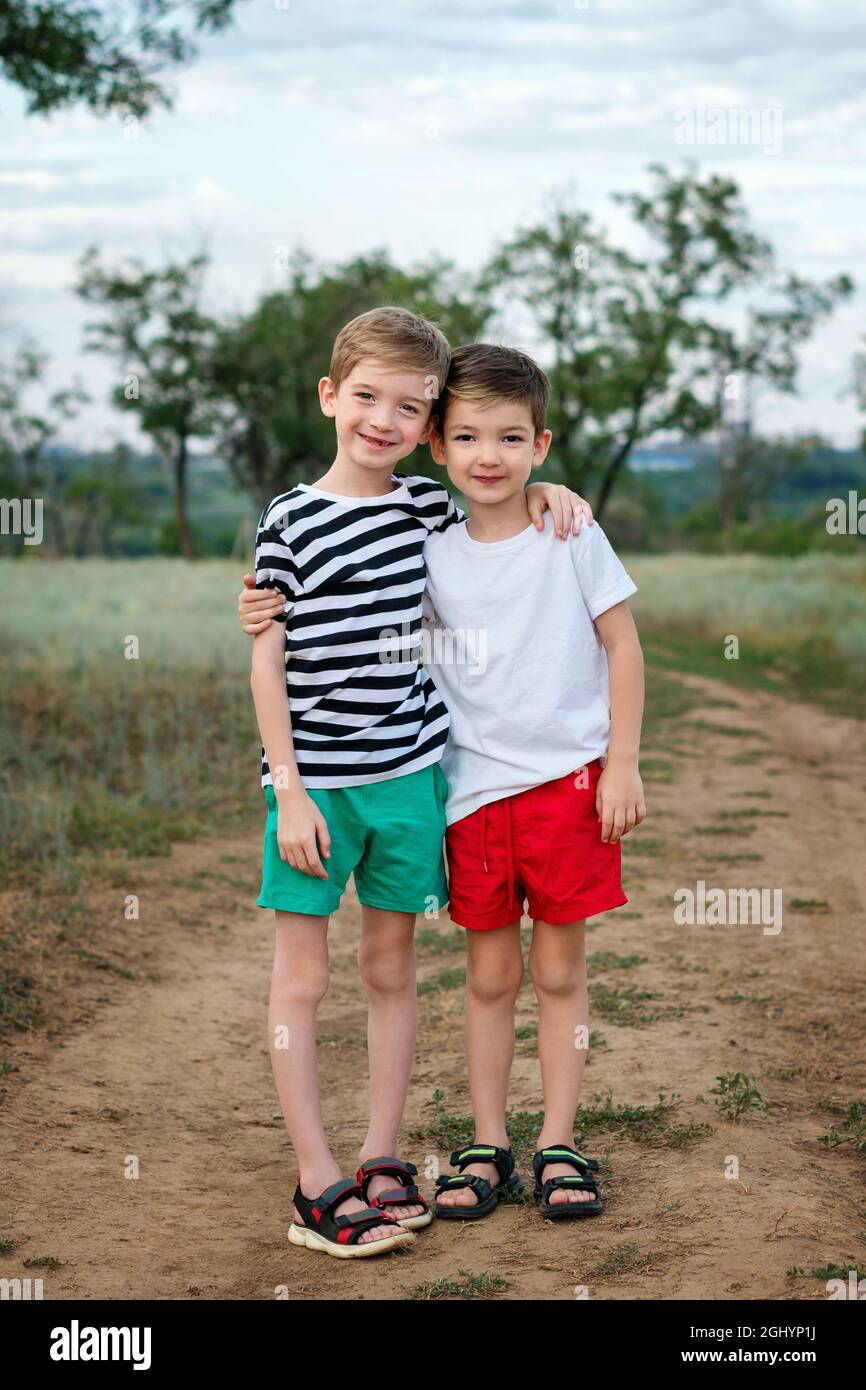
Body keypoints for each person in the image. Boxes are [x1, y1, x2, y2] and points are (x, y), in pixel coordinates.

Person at [244, 307, 593, 1257]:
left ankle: (380, 1155)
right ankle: (317, 1178)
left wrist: (550, 486)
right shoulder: (290, 519)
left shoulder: (425, 508)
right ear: (331, 397)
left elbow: (498, 499)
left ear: (428, 426)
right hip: (315, 787)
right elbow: (266, 659)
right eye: (367, 398)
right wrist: (291, 786)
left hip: (407, 779)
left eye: (410, 407)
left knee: (393, 969)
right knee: (304, 979)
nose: (384, 420)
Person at [421, 343, 646, 1223]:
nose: (489, 455)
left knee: (559, 975)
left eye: (510, 438)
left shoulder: (571, 533)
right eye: (468, 435)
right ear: (436, 443)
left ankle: (559, 1141)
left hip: (568, 786)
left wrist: (621, 762)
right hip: (474, 796)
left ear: (540, 447)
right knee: (486, 980)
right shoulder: (429, 550)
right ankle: (488, 1143)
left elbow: (622, 645)